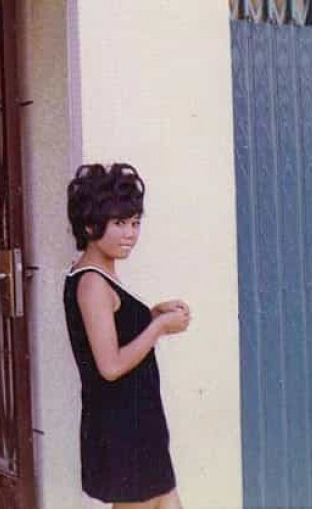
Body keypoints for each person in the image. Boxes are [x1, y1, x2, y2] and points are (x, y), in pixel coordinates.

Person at [64, 163, 192, 509]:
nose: (130, 234)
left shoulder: (100, 275)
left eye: (135, 223)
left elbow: (115, 330)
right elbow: (110, 366)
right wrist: (159, 328)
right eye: (119, 223)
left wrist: (152, 315)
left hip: (138, 423)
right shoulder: (92, 283)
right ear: (90, 225)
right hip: (123, 430)